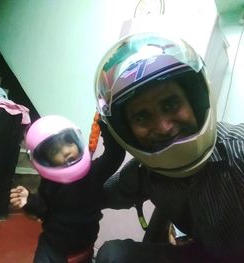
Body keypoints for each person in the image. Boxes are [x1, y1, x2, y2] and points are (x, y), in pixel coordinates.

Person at [93, 32, 244, 262]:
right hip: (205, 254)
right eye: (142, 118)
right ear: (127, 131)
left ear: (195, 100)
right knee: (114, 256)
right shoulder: (144, 173)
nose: (163, 127)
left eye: (171, 103)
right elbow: (96, 196)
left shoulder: (239, 151)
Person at [10, 115, 125, 263]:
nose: (66, 151)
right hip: (55, 245)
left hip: (82, 243)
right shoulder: (50, 183)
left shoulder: (93, 172)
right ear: (46, 160)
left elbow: (114, 155)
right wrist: (29, 200)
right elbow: (44, 209)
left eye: (69, 143)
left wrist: (106, 124)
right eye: (55, 151)